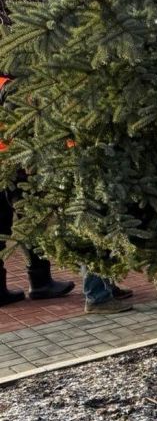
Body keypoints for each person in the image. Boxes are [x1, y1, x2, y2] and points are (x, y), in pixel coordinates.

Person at [0, 73, 76, 307]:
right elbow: (23, 125)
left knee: (0, 227)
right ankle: (40, 282)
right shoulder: (7, 86)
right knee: (32, 221)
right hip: (15, 163)